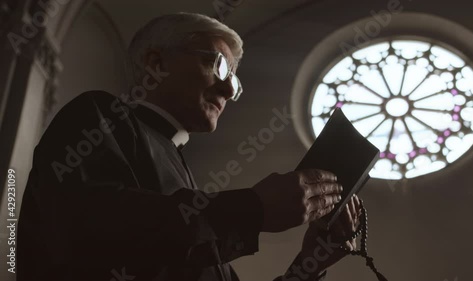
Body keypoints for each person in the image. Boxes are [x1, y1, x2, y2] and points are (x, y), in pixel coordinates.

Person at [17, 12, 361, 281]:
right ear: (157, 63)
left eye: (235, 82)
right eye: (219, 66)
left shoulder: (185, 175)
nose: (228, 92)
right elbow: (88, 225)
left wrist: (309, 262)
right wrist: (252, 209)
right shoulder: (100, 114)